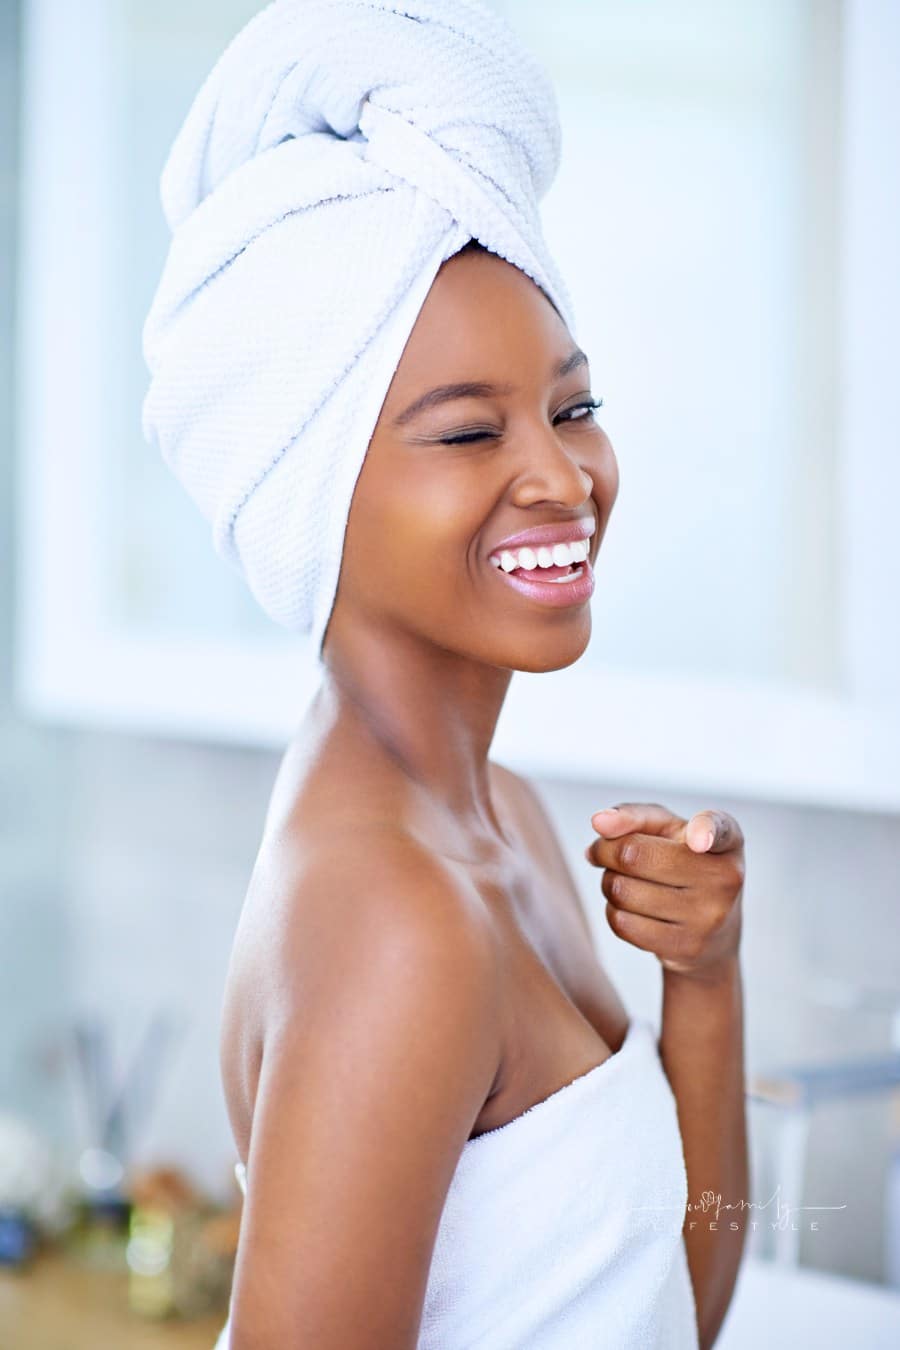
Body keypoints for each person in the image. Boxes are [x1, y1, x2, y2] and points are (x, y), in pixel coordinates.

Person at [142, 3, 749, 1346]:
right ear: (305, 493)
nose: (560, 474)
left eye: (573, 406)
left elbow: (674, 1301)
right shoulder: (395, 918)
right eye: (470, 429)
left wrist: (705, 981)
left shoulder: (502, 817)